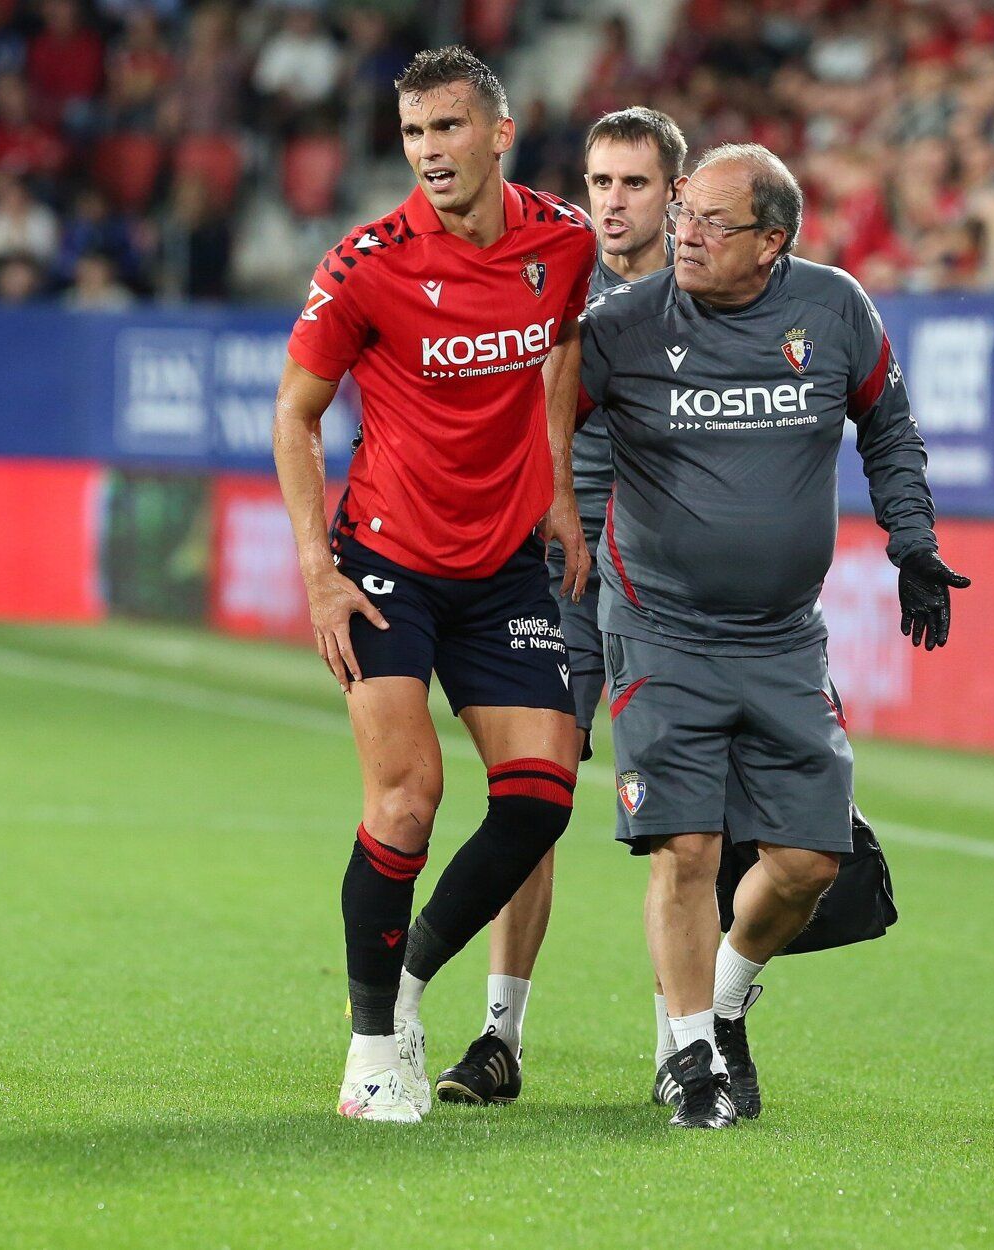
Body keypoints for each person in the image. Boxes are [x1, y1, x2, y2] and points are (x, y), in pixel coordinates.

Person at [579, 144, 967, 1128]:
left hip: (782, 638)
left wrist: (912, 542)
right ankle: (692, 1059)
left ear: (770, 242)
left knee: (804, 861)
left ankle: (718, 999)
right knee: (687, 847)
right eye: (682, 215)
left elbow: (886, 425)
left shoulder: (833, 309)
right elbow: (524, 418)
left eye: (711, 221)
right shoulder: (619, 325)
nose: (684, 233)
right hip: (656, 625)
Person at [272, 46, 597, 1124]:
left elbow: (558, 351)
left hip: (501, 565)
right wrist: (318, 573)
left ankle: (402, 987)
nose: (429, 153)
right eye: (413, 135)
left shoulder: (561, 242)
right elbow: (295, 413)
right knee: (408, 797)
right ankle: (371, 1050)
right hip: (384, 563)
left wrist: (551, 477)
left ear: (498, 133)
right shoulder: (367, 261)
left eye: (447, 129)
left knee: (542, 798)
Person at [431, 106, 685, 1108]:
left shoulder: (700, 299)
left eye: (634, 184)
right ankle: (498, 1037)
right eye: (599, 184)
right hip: (557, 573)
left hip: (665, 585)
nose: (613, 204)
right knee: (532, 797)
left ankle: (684, 1042)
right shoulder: (546, 281)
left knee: (682, 816)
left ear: (673, 192)